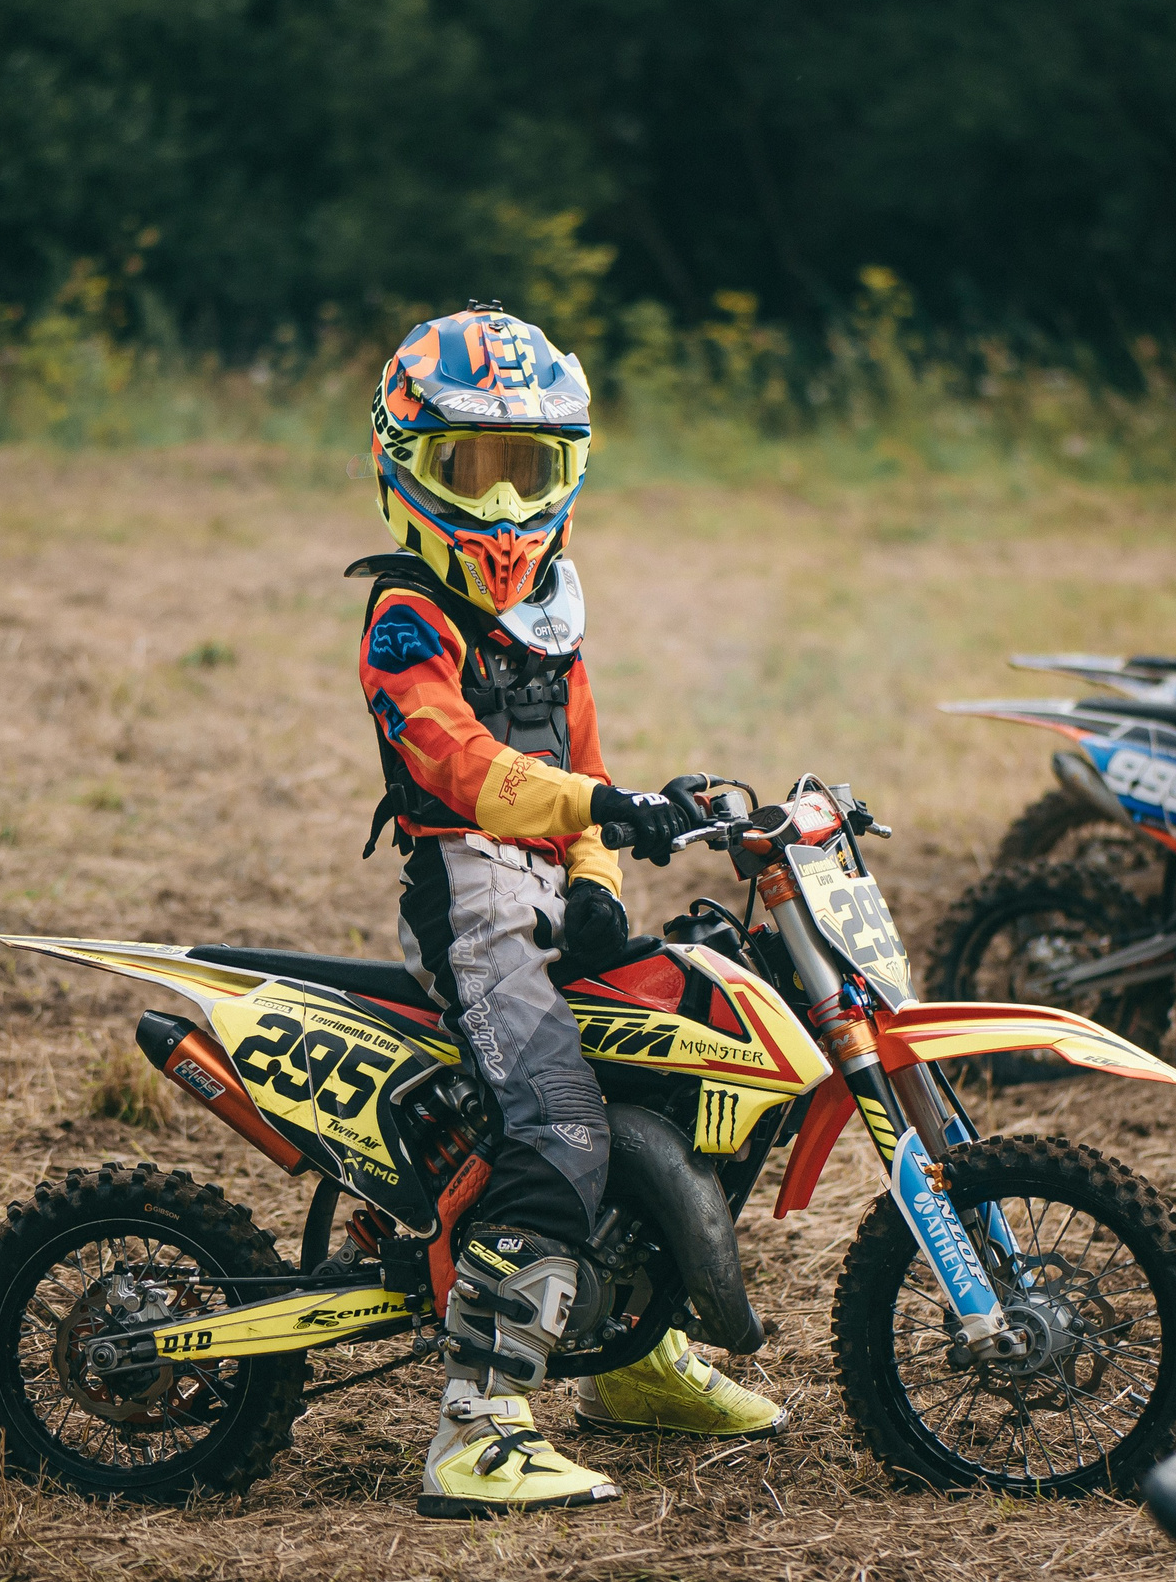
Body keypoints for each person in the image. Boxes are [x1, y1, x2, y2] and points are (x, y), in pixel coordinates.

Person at [354, 304, 781, 1520]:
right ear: (405, 469)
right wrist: (599, 804)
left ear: (568, 473)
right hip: (473, 904)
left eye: (524, 471)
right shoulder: (407, 619)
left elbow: (578, 776)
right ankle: (476, 1427)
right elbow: (463, 766)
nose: (498, 511)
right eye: (467, 472)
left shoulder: (552, 620)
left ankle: (636, 1351)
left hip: (547, 890)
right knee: (558, 1131)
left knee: (692, 1064)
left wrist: (598, 876)